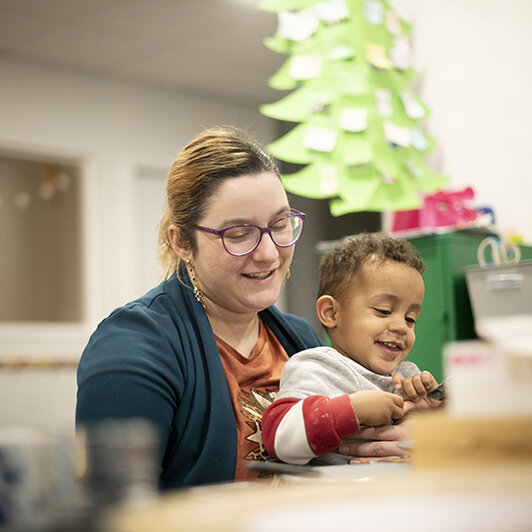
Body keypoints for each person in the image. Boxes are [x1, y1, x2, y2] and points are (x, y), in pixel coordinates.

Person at [76, 127, 408, 490]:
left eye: (280, 225)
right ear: (183, 242)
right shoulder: (133, 346)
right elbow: (113, 509)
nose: (269, 253)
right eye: (238, 234)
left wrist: (387, 443)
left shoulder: (301, 339)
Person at [262, 233, 443, 466]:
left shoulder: (408, 377)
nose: (401, 327)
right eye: (383, 310)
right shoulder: (316, 367)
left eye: (410, 318)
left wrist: (433, 415)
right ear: (331, 313)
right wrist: (352, 409)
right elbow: (279, 438)